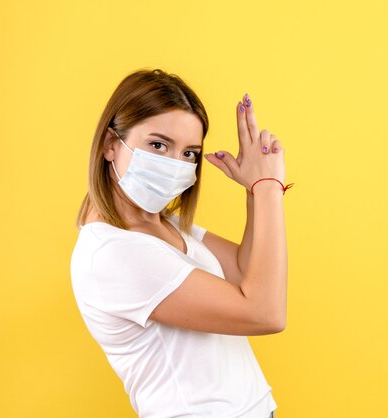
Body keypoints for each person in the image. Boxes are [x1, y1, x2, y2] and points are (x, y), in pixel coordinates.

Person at [70, 68, 292, 418]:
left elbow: (244, 271)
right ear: (111, 145)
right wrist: (268, 187)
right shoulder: (114, 253)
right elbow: (266, 312)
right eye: (158, 145)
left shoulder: (162, 224)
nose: (174, 165)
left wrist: (254, 190)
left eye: (189, 153)